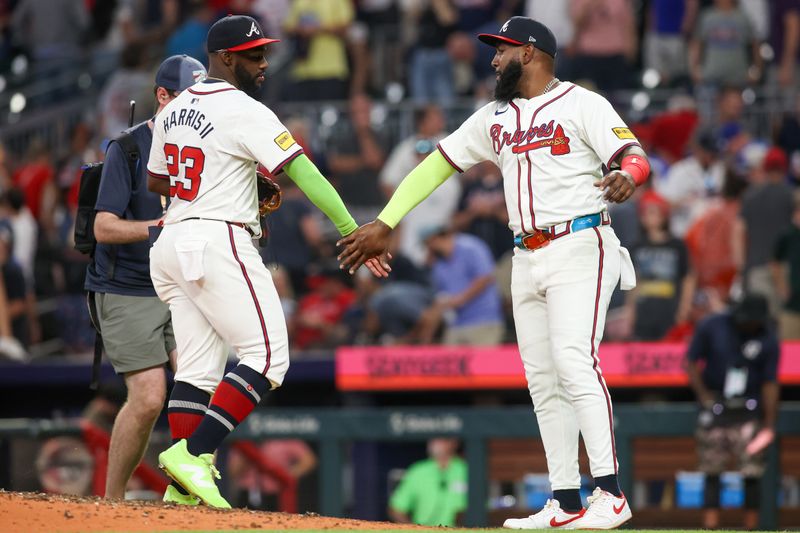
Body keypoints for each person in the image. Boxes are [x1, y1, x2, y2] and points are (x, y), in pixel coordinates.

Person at [338, 16, 649, 530]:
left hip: (580, 241)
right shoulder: (494, 117)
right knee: (543, 380)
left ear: (529, 53)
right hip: (525, 254)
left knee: (574, 361)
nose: (492, 59)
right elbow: (436, 165)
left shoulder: (582, 103)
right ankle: (567, 500)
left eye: (501, 50)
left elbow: (633, 153)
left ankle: (610, 493)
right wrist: (387, 220)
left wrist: (627, 176)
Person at [148, 15, 361, 508]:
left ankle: (183, 494)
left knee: (198, 371)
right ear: (224, 58)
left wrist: (227, 176)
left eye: (264, 52)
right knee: (268, 357)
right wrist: (351, 229)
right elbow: (305, 175)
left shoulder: (175, 107)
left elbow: (157, 181)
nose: (264, 63)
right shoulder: (245, 110)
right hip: (219, 238)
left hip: (173, 242)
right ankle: (194, 456)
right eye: (253, 55)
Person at [84, 55, 207, 502]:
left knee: (201, 383)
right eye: (186, 98)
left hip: (178, 285)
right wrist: (156, 228)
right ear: (163, 97)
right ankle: (112, 503)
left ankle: (184, 493)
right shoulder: (129, 148)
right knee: (150, 397)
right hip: (126, 287)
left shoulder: (199, 147)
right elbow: (103, 228)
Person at [686, 294, 780, 530]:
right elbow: (690, 361)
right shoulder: (712, 324)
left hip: (749, 410)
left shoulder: (767, 338)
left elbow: (770, 383)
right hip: (716, 406)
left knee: (752, 472)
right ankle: (710, 526)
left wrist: (769, 424)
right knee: (711, 469)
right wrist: (704, 395)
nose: (745, 323)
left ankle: (751, 526)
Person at [423, 226, 504, 345]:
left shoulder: (470, 246)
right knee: (450, 362)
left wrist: (459, 300)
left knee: (483, 363)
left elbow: (486, 277)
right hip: (456, 323)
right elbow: (442, 295)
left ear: (434, 239)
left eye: (426, 243)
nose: (427, 248)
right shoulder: (438, 263)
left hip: (483, 321)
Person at [388, 438, 468, 527]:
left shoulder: (467, 470)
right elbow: (396, 508)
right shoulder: (417, 471)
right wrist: (413, 530)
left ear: (454, 442)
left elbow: (484, 509)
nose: (435, 442)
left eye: (440, 438)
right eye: (432, 437)